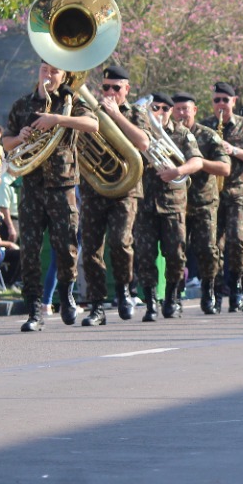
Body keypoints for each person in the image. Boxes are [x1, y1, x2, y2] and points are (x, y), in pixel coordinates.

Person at [3, 60, 100, 331]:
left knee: (66, 246)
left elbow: (92, 125)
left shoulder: (71, 100)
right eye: (44, 69)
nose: (48, 75)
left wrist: (57, 119)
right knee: (30, 251)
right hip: (32, 188)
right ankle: (34, 309)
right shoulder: (23, 104)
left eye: (54, 71)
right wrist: (20, 137)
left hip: (63, 185)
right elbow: (6, 142)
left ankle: (67, 294)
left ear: (64, 75)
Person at [78, 65, 152, 326]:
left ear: (127, 90)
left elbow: (143, 143)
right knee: (90, 250)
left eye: (116, 88)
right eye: (106, 87)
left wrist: (115, 116)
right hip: (94, 189)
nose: (110, 92)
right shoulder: (91, 111)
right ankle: (97, 305)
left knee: (120, 242)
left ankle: (123, 290)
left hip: (125, 188)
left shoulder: (136, 113)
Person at [132, 93, 204, 321]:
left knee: (175, 255)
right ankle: (151, 301)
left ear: (171, 111)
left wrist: (178, 171)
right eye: (155, 108)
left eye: (165, 108)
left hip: (173, 205)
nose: (160, 112)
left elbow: (197, 161)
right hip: (145, 204)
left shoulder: (182, 133)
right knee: (144, 256)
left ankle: (173, 296)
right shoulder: (141, 133)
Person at [170, 92, 232, 314]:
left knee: (207, 250)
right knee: (175, 251)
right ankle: (175, 295)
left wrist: (197, 163)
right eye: (176, 109)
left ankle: (209, 290)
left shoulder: (207, 135)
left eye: (185, 109)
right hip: (175, 202)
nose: (181, 113)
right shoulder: (167, 134)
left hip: (203, 202)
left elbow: (225, 168)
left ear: (194, 110)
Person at [207, 82, 243, 311]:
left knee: (237, 240)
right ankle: (216, 290)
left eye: (225, 100)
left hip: (238, 193)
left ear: (234, 101)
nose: (221, 104)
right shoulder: (207, 126)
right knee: (212, 245)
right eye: (217, 100)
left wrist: (234, 150)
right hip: (213, 194)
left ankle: (237, 285)